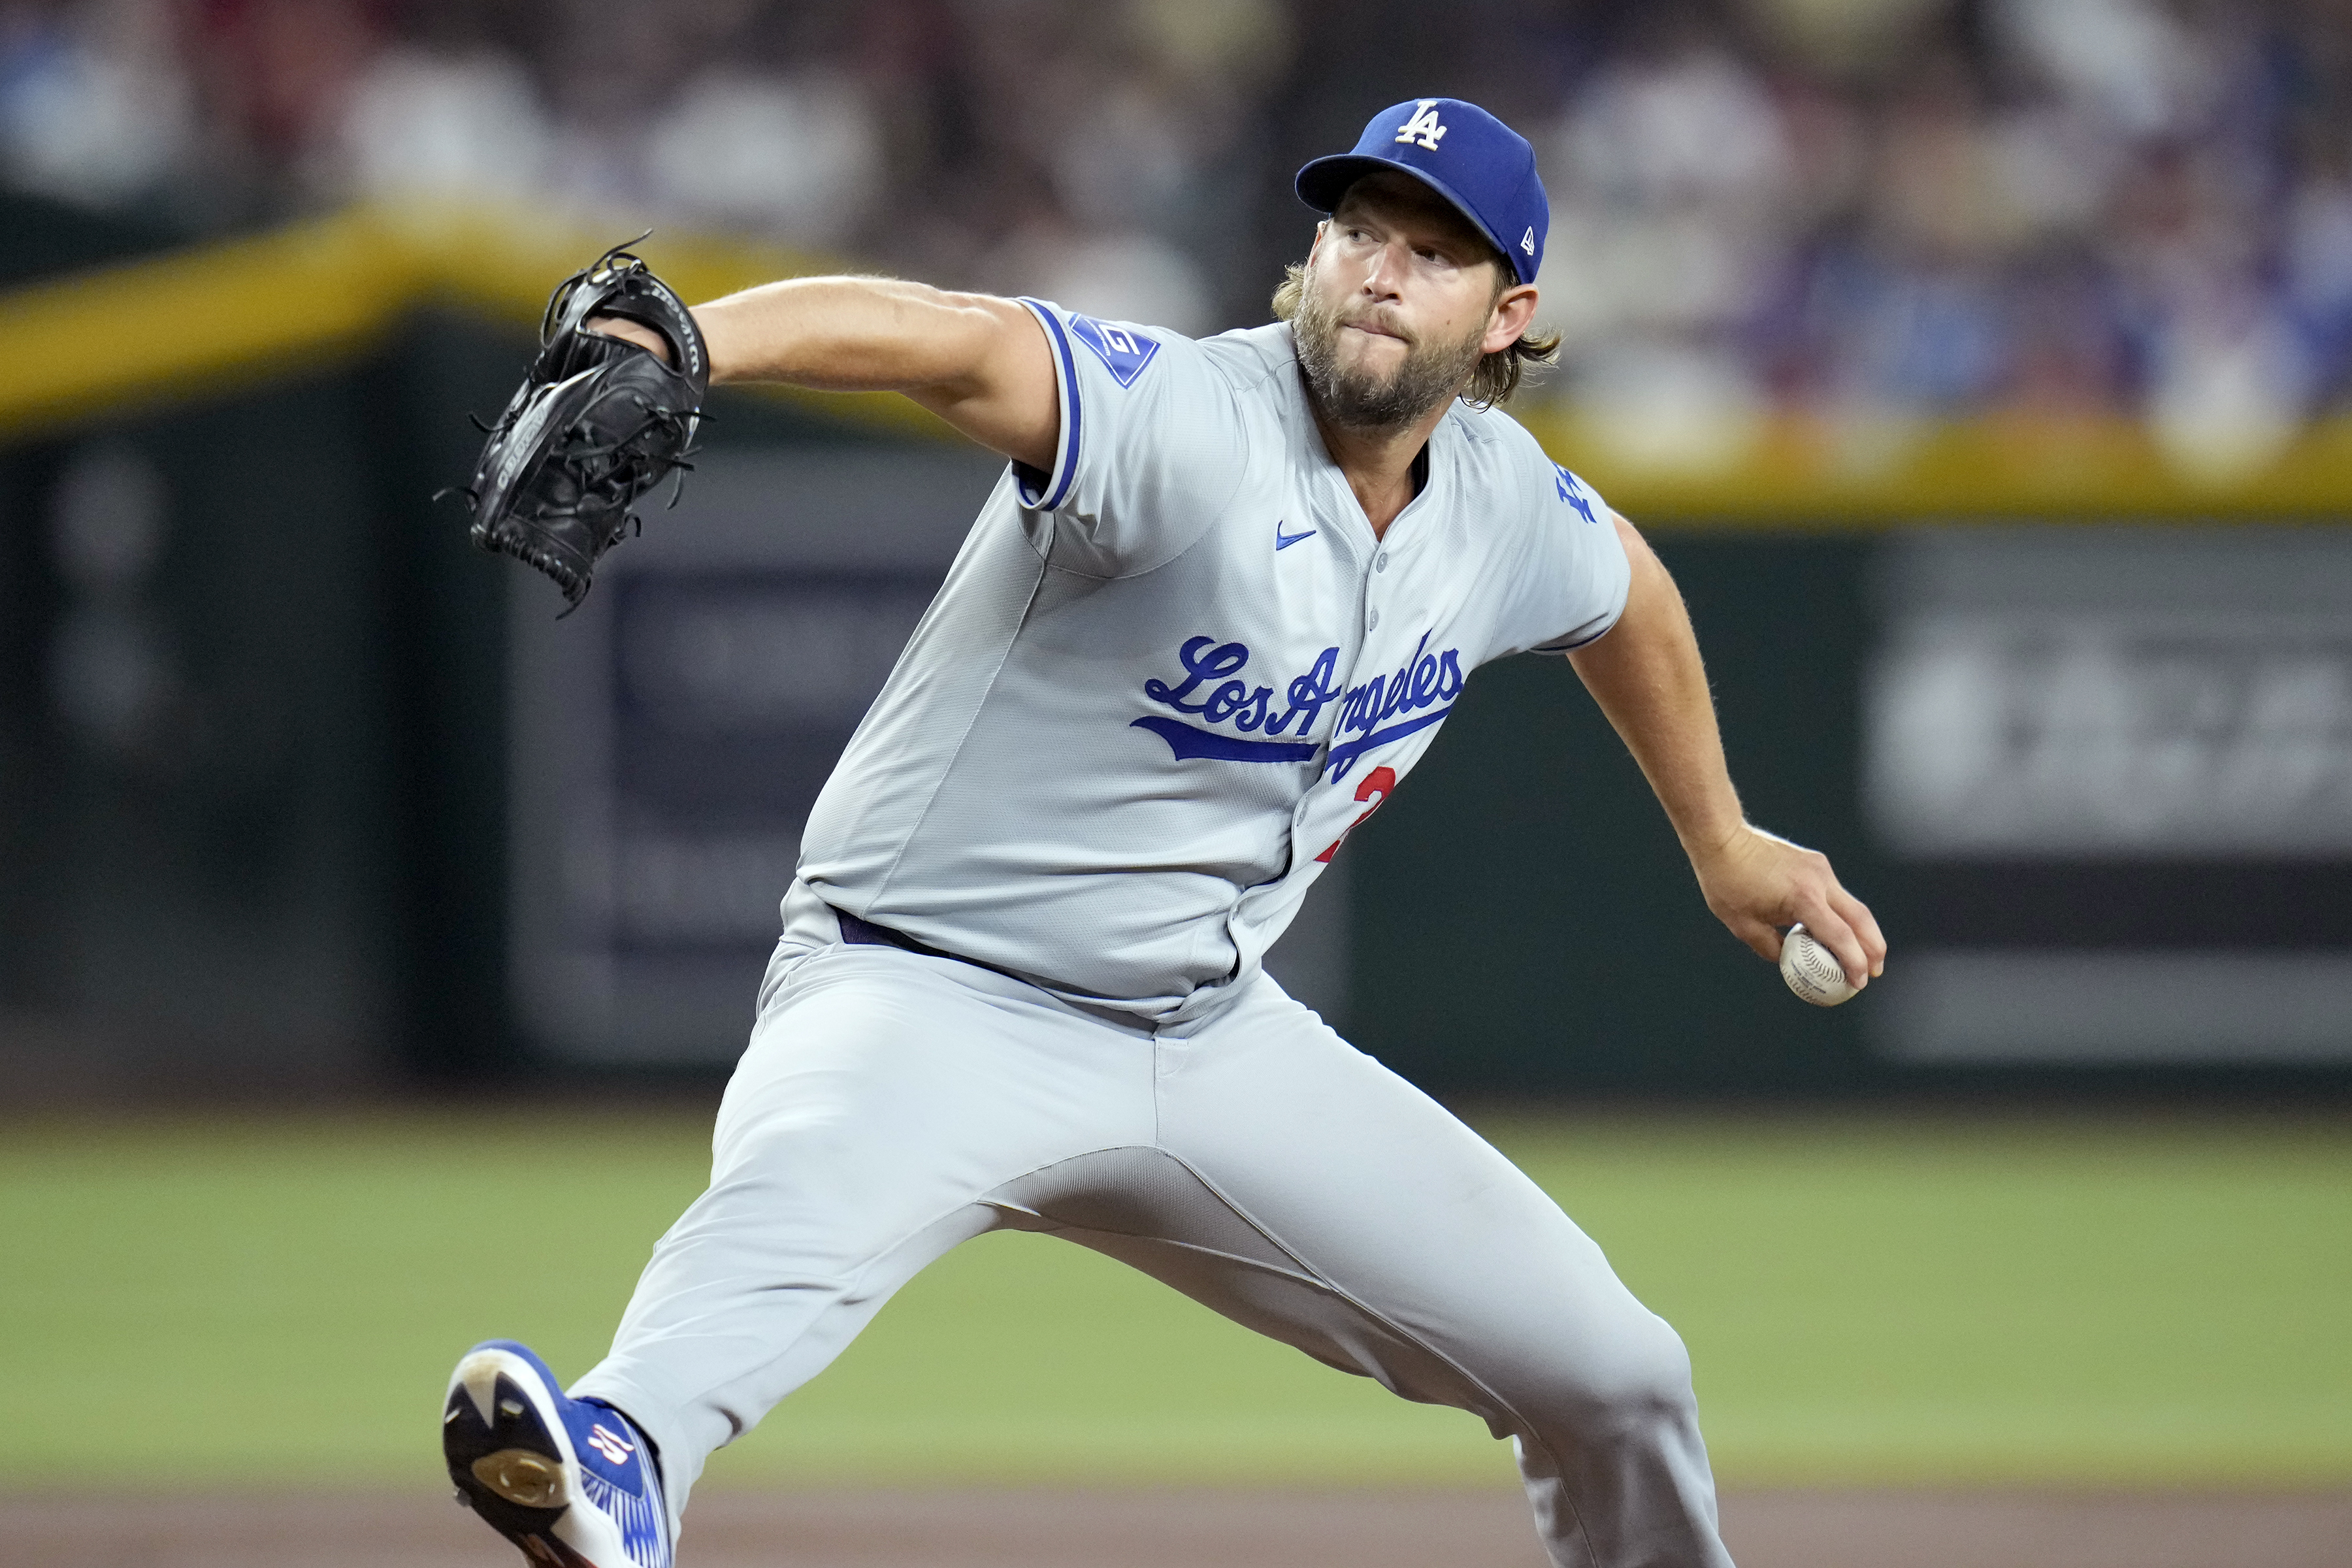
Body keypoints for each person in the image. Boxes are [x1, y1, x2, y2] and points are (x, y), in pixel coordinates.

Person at [439, 97, 1886, 1568]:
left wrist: (1723, 837)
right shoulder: (1189, 419)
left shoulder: (1504, 506)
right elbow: (959, 340)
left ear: (1511, 314)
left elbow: (1627, 589)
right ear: (1308, 259)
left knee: (1621, 1377)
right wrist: (690, 342)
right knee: (796, 1201)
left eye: (1434, 252)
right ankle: (619, 1454)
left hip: (1207, 1039)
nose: (1381, 270)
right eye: (1357, 232)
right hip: (929, 989)